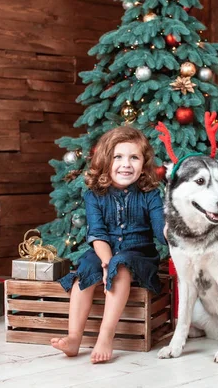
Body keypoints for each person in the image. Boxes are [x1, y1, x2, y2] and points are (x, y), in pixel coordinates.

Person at [51, 126, 166, 363]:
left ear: (143, 164)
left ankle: (106, 334)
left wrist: (172, 230)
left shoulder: (150, 194)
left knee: (121, 266)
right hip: (104, 249)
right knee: (84, 273)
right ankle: (74, 338)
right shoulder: (94, 195)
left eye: (134, 157)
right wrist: (105, 262)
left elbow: (160, 229)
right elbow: (97, 234)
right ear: (106, 160)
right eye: (118, 157)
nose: (126, 164)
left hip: (138, 254)